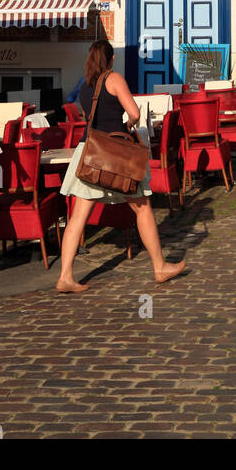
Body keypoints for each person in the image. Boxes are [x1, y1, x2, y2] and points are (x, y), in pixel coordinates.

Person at [56, 41, 186, 294]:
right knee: (142, 207)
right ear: (111, 58)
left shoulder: (85, 87)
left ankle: (65, 276)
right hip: (114, 155)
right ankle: (159, 266)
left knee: (78, 217)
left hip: (89, 153)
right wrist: (127, 126)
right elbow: (134, 112)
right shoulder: (113, 78)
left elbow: (90, 118)